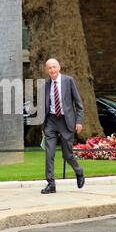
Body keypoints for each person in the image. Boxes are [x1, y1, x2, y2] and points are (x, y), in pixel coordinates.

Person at [41, 58, 85, 194]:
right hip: (51, 122)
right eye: (49, 68)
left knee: (67, 155)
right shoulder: (46, 85)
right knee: (49, 153)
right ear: (47, 70)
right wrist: (43, 128)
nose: (52, 70)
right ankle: (51, 184)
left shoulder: (69, 81)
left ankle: (79, 171)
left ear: (59, 67)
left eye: (54, 67)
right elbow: (44, 108)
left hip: (66, 122)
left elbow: (79, 104)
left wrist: (79, 121)